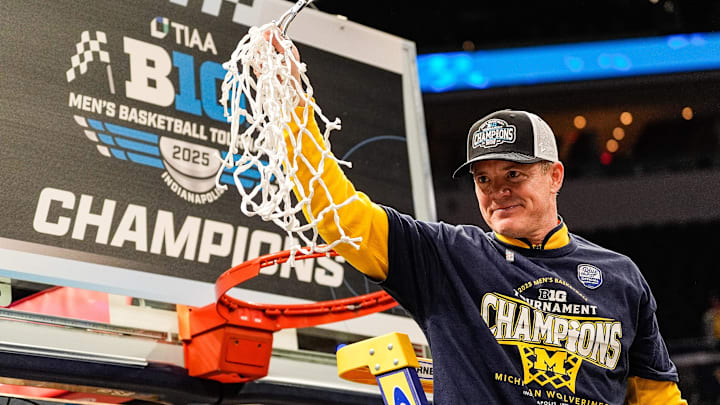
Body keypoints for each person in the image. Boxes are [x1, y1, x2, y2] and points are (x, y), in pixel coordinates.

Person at [273, 36, 687, 404]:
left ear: (555, 176)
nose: (497, 191)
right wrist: (293, 109)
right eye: (483, 179)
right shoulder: (446, 256)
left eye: (514, 174)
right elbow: (341, 216)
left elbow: (657, 395)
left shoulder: (621, 277)